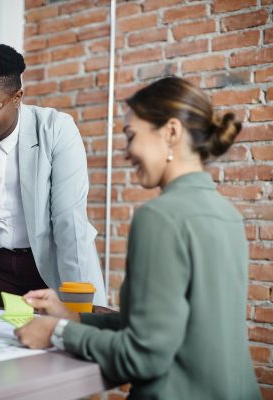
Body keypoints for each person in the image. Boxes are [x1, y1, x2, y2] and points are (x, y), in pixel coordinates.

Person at [15, 77, 260, 399]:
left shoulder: (160, 218)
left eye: (131, 136)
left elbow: (144, 355)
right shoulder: (227, 214)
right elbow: (163, 329)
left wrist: (58, 333)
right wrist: (74, 317)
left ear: (171, 132)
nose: (127, 152)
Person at [0, 42, 106, 307]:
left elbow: (69, 222)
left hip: (48, 268)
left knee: (58, 342)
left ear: (17, 98)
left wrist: (83, 308)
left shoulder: (57, 130)